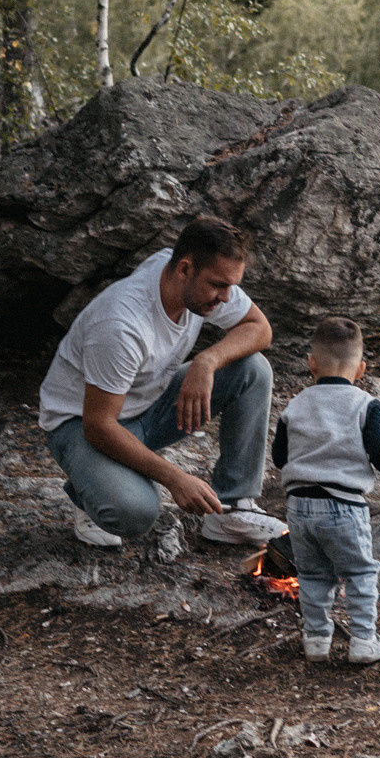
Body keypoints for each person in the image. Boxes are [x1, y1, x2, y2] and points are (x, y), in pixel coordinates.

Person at [38, 213, 286, 550]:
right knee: (135, 513)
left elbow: (260, 329)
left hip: (146, 405)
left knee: (252, 369)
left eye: (232, 285)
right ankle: (87, 491)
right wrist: (174, 478)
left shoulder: (184, 276)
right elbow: (98, 425)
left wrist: (206, 361)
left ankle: (231, 509)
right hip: (81, 423)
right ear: (185, 269)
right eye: (218, 285)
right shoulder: (121, 325)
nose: (227, 297)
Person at [272, 316, 380, 665]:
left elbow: (279, 457)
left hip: (298, 506)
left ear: (311, 363)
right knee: (359, 572)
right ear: (361, 369)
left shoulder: (295, 404)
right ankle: (363, 639)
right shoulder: (366, 405)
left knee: (313, 574)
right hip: (343, 506)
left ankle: (316, 639)